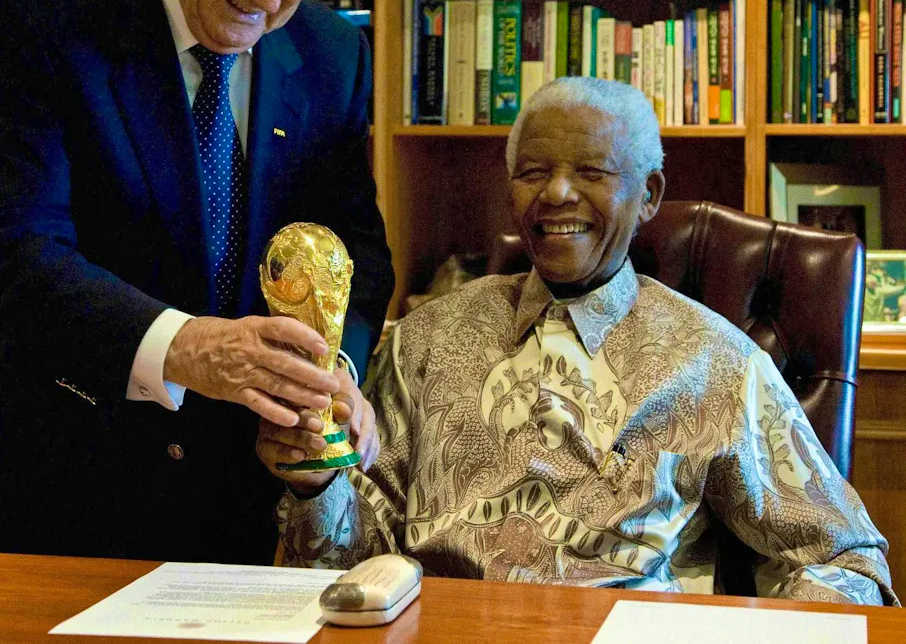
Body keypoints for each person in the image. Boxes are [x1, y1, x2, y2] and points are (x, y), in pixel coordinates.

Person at [0, 0, 394, 565]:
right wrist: (184, 347)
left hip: (228, 501)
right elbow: (10, 245)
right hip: (48, 484)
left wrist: (327, 373)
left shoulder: (332, 56)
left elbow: (356, 249)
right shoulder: (41, 24)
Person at [263, 77, 897, 606]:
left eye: (591, 171)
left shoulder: (715, 363)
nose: (557, 193)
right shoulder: (425, 340)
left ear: (648, 195)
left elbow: (848, 559)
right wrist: (315, 484)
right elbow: (350, 561)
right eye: (533, 172)